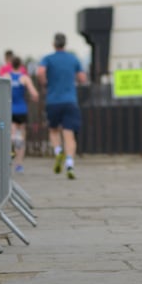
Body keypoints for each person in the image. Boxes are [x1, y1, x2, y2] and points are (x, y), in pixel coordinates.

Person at [36, 33, 87, 180]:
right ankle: (70, 164)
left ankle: (58, 152)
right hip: (70, 100)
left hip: (53, 100)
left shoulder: (48, 58)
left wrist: (45, 82)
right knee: (69, 135)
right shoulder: (73, 58)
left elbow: (40, 72)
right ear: (65, 44)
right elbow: (83, 78)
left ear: (54, 44)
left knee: (53, 130)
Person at [5, 55, 39, 171]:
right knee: (22, 136)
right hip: (22, 110)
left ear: (11, 65)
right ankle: (19, 164)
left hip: (9, 109)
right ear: (20, 65)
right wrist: (32, 98)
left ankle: (12, 148)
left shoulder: (6, 77)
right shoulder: (24, 78)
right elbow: (34, 94)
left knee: (11, 132)